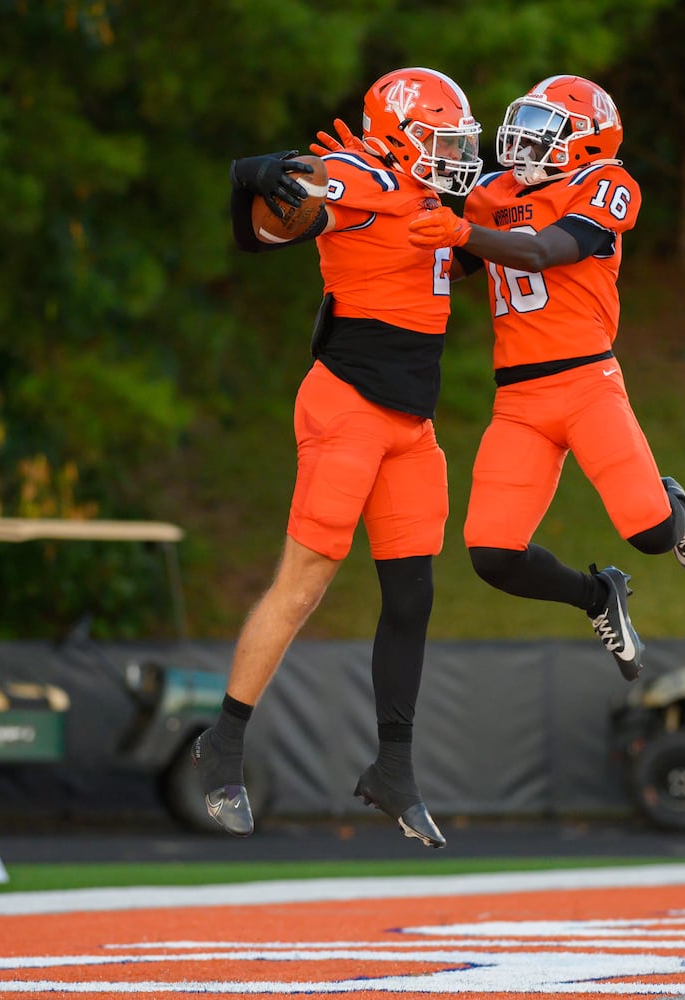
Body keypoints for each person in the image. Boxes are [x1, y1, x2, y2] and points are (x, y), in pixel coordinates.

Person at [192, 67, 484, 848]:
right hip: (348, 406)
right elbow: (264, 228)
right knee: (306, 579)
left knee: (412, 595)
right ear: (398, 134)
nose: (454, 155)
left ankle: (393, 769)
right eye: (441, 138)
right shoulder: (357, 175)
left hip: (409, 425)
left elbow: (461, 255)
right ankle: (222, 741)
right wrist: (253, 181)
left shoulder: (427, 194)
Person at [403, 74, 685, 681]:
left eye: (547, 130)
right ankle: (598, 597)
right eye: (527, 123)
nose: (525, 141)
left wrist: (462, 230)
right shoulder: (490, 192)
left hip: (586, 383)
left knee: (651, 535)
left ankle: (673, 504)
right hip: (518, 400)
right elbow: (454, 261)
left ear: (589, 143)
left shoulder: (603, 184)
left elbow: (545, 250)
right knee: (492, 554)